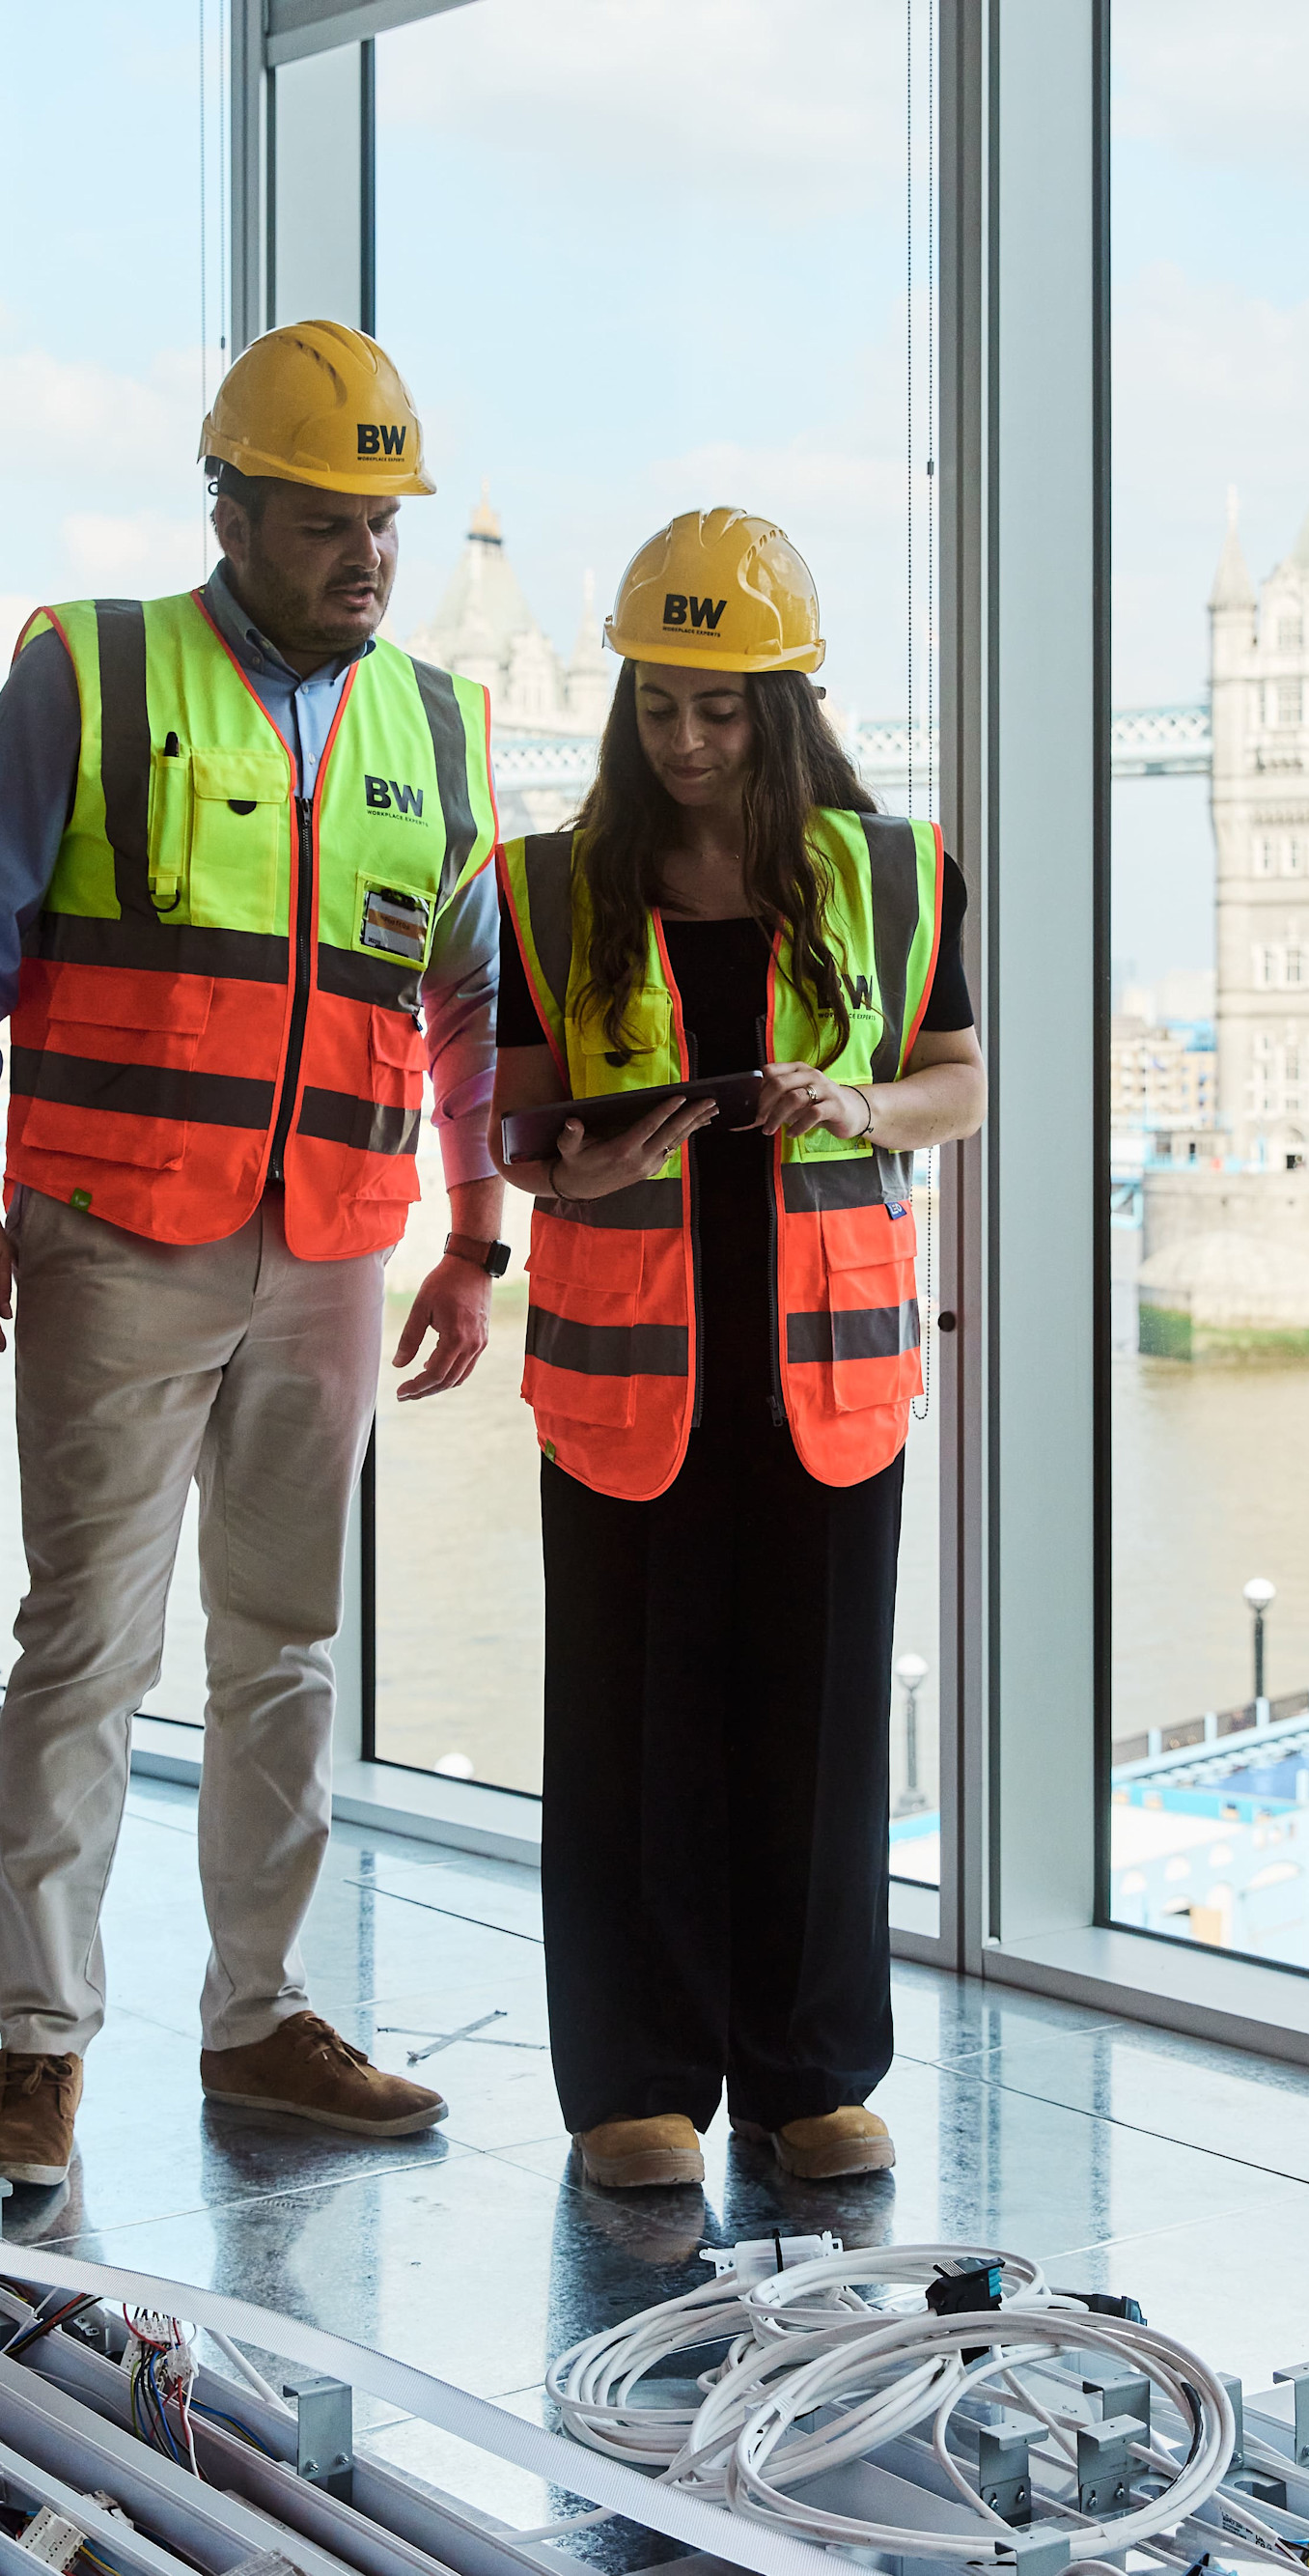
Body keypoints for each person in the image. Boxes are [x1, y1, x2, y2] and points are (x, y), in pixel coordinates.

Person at [0, 322, 512, 2187]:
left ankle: (260, 2023)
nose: (366, 554)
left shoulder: (436, 724)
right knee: (86, 1645)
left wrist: (477, 1231)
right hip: (114, 1237)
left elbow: (472, 1005)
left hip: (332, 1246)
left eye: (385, 523)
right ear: (230, 512)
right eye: (325, 519)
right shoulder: (91, 674)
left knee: (289, 1647)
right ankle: (40, 2045)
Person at [490, 508, 987, 2193]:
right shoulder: (549, 887)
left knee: (816, 1732)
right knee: (626, 1735)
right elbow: (517, 1127)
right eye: (657, 707)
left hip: (825, 1371)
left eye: (719, 709)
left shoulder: (899, 875)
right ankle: (634, 2084)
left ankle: (807, 2077)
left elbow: (959, 1082)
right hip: (628, 1372)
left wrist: (859, 1103)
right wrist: (578, 1164)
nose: (686, 741)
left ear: (786, 707)